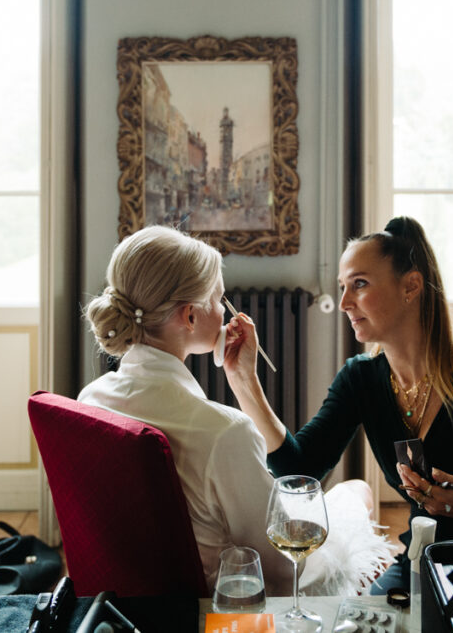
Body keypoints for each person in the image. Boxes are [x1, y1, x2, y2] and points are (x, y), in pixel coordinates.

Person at [235, 216, 453, 593]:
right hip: (423, 563)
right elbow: (299, 470)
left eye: (360, 284)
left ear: (411, 286)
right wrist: (244, 379)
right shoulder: (361, 379)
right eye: (343, 287)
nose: (345, 303)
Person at [78, 225, 393, 597]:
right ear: (190, 317)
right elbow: (281, 568)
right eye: (220, 299)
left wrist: (243, 379)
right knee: (357, 492)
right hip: (226, 601)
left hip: (130, 600)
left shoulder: (90, 401)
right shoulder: (225, 432)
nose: (226, 310)